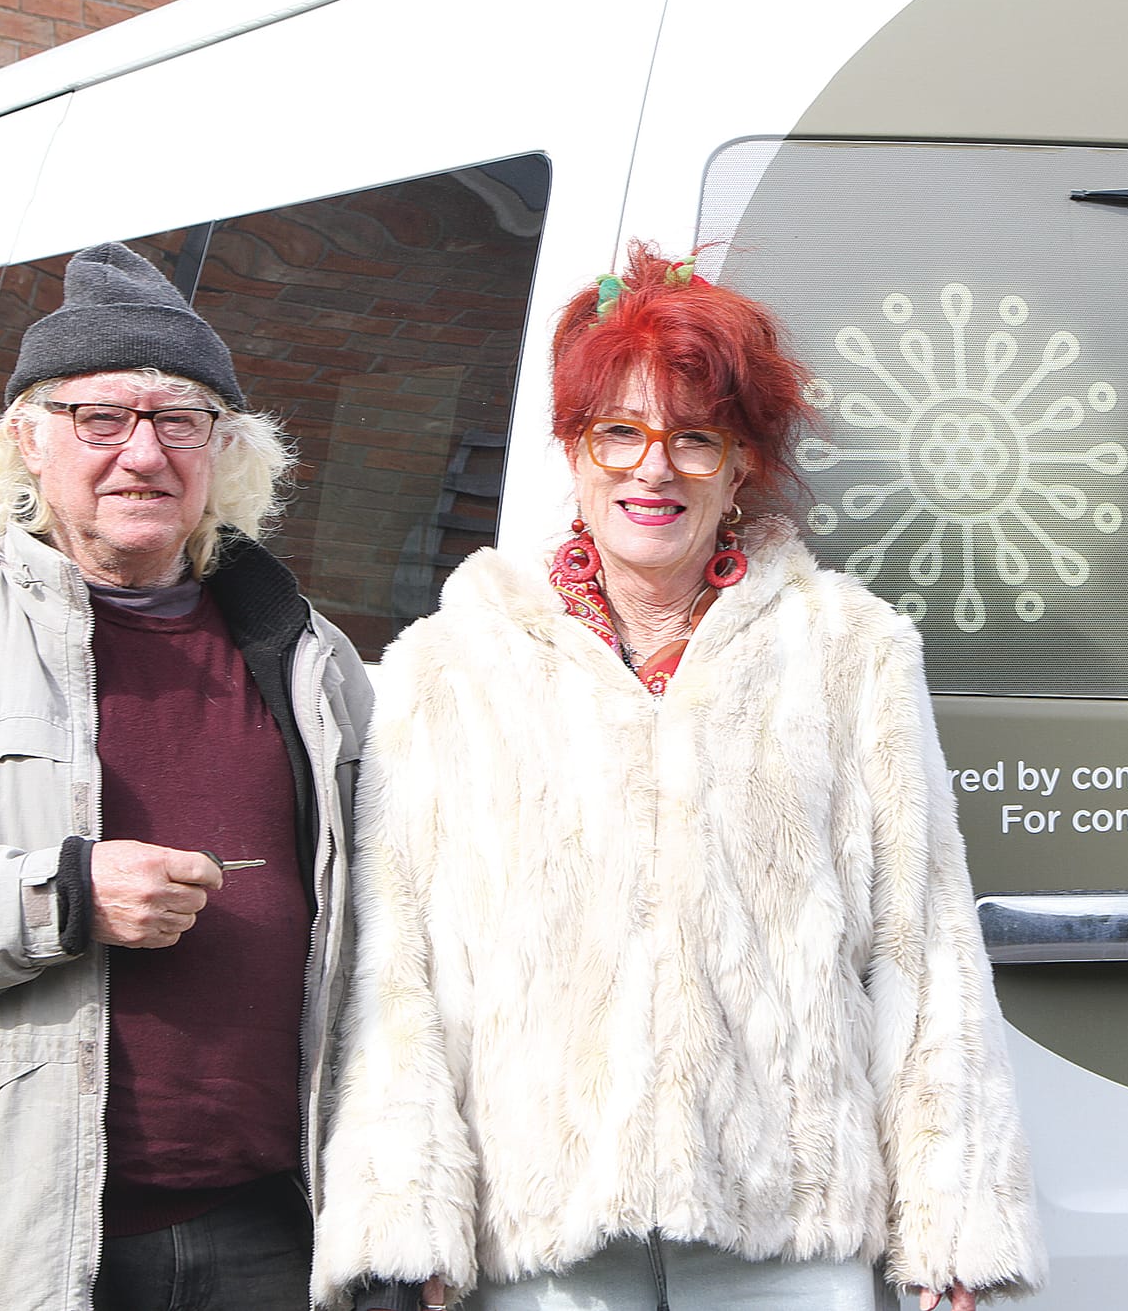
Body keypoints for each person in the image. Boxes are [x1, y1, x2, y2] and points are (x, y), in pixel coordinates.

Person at [311, 244, 1046, 1311]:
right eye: (619, 431)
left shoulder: (850, 651)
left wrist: (952, 1225)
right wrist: (401, 1218)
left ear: (741, 466)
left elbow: (924, 948)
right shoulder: (450, 664)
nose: (652, 470)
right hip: (543, 1252)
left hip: (789, 1248)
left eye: (695, 439)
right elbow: (398, 964)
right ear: (573, 450)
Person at [0, 241, 374, 1309]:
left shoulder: (310, 656)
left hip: (271, 1224)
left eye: (180, 421)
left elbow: (386, 933)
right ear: (28, 441)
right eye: (101, 418)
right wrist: (65, 894)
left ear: (225, 451)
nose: (144, 454)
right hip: (14, 1230)